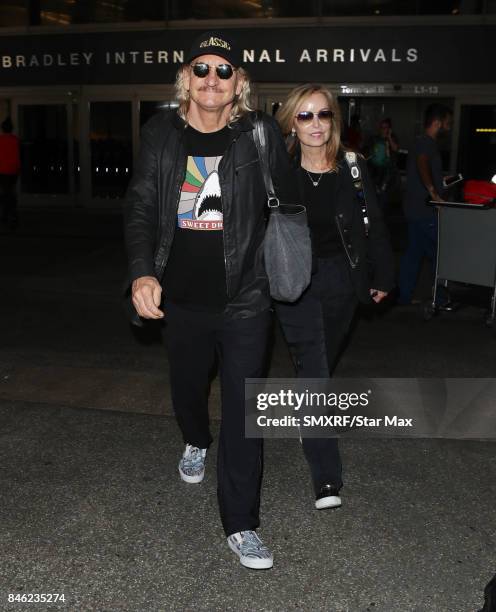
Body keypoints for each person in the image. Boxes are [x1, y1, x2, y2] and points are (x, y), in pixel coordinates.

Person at [123, 31, 295, 570]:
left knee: (246, 414)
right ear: (186, 78)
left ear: (240, 82)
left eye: (225, 71)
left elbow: (287, 203)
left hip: (246, 298)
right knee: (188, 387)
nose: (212, 80)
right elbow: (142, 206)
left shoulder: (260, 133)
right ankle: (196, 437)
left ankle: (241, 523)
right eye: (202, 69)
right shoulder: (161, 133)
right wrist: (141, 273)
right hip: (181, 300)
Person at [275, 84, 394, 509]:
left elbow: (373, 226)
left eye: (323, 115)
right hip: (296, 281)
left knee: (321, 365)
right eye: (304, 116)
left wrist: (384, 274)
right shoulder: (279, 169)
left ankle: (311, 409)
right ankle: (326, 476)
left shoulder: (353, 166)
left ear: (334, 120)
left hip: (343, 279)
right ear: (291, 122)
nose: (315, 124)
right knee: (315, 371)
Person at [398, 103, 453, 305]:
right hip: (424, 210)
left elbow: (424, 170)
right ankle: (439, 298)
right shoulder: (426, 144)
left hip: (414, 210)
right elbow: (422, 163)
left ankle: (404, 296)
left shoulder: (421, 143)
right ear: (438, 123)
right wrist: (434, 193)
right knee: (439, 254)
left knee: (414, 253)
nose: (449, 126)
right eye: (448, 123)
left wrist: (441, 184)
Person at [366, 118, 399, 210]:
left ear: (389, 129)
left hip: (387, 174)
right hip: (375, 172)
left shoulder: (392, 138)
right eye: (382, 127)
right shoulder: (374, 139)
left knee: (383, 197)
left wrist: (389, 137)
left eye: (386, 127)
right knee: (374, 196)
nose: (384, 130)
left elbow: (395, 149)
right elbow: (369, 153)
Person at [0, 117, 21, 229]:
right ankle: (9, 215)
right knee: (9, 192)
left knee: (6, 193)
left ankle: (8, 215)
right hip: (13, 171)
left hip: (2, 170)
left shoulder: (1, 140)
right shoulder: (15, 140)